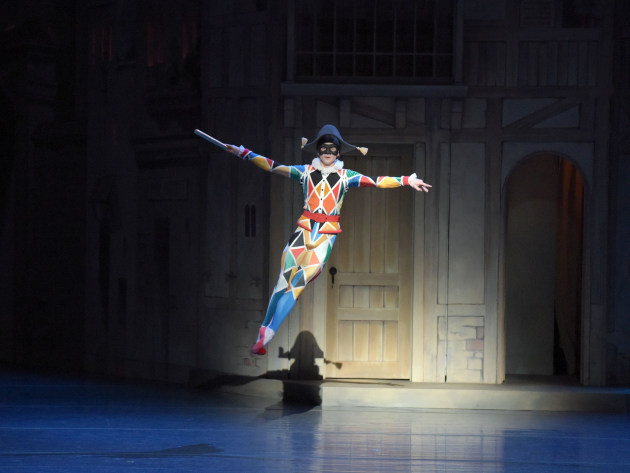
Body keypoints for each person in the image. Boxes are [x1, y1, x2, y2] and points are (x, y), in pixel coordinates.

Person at [225, 124, 431, 355]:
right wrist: (244, 153)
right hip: (302, 233)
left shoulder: (346, 176)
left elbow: (375, 181)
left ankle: (269, 333)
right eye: (324, 148)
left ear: (338, 153)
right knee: (282, 283)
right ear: (317, 151)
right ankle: (263, 332)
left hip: (325, 236)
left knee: (297, 285)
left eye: (332, 149)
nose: (328, 152)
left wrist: (406, 180)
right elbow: (274, 166)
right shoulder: (304, 172)